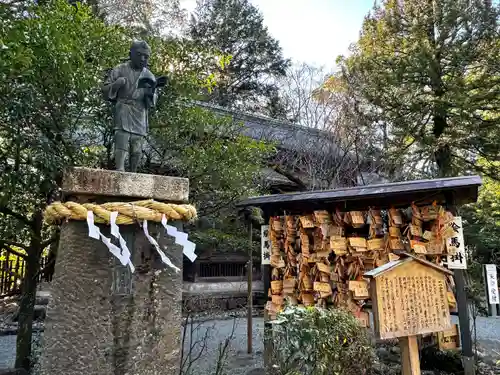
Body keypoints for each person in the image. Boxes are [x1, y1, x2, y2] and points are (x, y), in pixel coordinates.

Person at [103, 40, 163, 172]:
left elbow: (153, 100)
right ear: (131, 54)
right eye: (139, 55)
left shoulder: (149, 75)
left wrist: (150, 93)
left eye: (146, 57)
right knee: (121, 137)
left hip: (140, 111)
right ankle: (120, 168)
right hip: (123, 107)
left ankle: (134, 171)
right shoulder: (119, 69)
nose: (142, 59)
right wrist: (116, 84)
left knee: (137, 143)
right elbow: (105, 90)